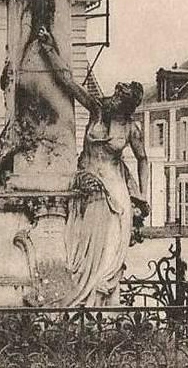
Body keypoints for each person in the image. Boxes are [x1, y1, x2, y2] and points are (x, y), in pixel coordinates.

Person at [62, 81, 150, 307]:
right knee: (84, 243)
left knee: (111, 246)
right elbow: (70, 85)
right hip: (89, 187)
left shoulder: (131, 128)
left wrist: (142, 194)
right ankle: (84, 297)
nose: (113, 100)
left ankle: (104, 297)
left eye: (119, 99)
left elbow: (143, 159)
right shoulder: (97, 110)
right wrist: (49, 52)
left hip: (115, 191)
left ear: (127, 106)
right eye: (114, 95)